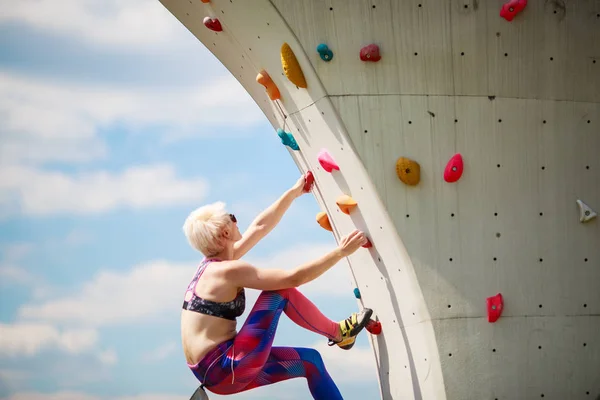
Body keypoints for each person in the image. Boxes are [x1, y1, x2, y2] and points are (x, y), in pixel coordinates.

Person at [181, 173, 373, 400]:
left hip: (218, 375)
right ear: (225, 232)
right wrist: (341, 252)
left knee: (311, 362)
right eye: (231, 217)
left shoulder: (212, 267)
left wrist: (294, 192)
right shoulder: (226, 271)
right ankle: (340, 332)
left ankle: (341, 337)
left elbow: (259, 227)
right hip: (227, 366)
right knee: (279, 290)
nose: (237, 220)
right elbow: (293, 279)